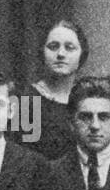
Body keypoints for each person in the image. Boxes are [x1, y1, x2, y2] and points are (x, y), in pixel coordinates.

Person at [10, 18, 88, 161]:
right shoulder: (26, 100)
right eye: (53, 46)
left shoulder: (86, 100)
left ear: (81, 54)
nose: (61, 54)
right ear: (42, 52)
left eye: (70, 47)